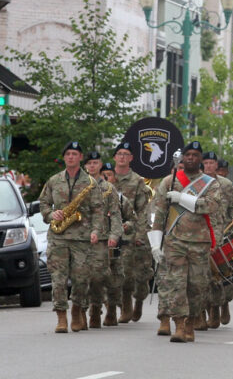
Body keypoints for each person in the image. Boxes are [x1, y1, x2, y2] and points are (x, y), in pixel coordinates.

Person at [150, 141, 222, 342]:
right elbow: (160, 213)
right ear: (182, 158)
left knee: (197, 286)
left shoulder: (210, 183)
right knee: (176, 284)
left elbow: (211, 206)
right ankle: (180, 325)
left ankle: (191, 322)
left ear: (201, 159)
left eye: (195, 155)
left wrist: (182, 199)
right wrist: (155, 243)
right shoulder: (169, 182)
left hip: (200, 242)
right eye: (188, 154)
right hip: (175, 241)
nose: (191, 158)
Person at [39, 141, 105, 333]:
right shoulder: (54, 180)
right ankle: (61, 317)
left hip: (82, 238)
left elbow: (98, 210)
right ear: (64, 157)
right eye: (68, 154)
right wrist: (51, 215)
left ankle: (77, 310)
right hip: (58, 236)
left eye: (75, 154)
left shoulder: (90, 183)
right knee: (58, 279)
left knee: (81, 279)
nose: (71, 157)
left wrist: (95, 231)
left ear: (81, 157)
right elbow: (44, 203)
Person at [200, 152, 233, 330]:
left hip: (222, 235)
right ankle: (206, 312)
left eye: (212, 162)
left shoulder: (226, 185)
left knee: (221, 278)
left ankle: (222, 304)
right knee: (203, 277)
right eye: (206, 162)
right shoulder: (196, 183)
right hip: (201, 236)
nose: (209, 166)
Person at [112, 142, 152, 324]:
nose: (122, 157)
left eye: (125, 154)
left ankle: (138, 303)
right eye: (119, 153)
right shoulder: (107, 179)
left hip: (131, 233)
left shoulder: (137, 181)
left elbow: (143, 210)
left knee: (138, 275)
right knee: (115, 273)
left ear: (131, 158)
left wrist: (140, 235)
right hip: (110, 233)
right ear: (114, 157)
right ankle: (124, 306)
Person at [83, 151, 123, 328]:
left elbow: (115, 215)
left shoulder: (108, 188)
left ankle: (98, 309)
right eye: (89, 163)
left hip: (103, 238)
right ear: (85, 166)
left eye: (95, 163)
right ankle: (83, 310)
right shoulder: (78, 186)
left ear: (100, 165)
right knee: (82, 276)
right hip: (81, 237)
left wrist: (114, 235)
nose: (92, 166)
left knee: (100, 276)